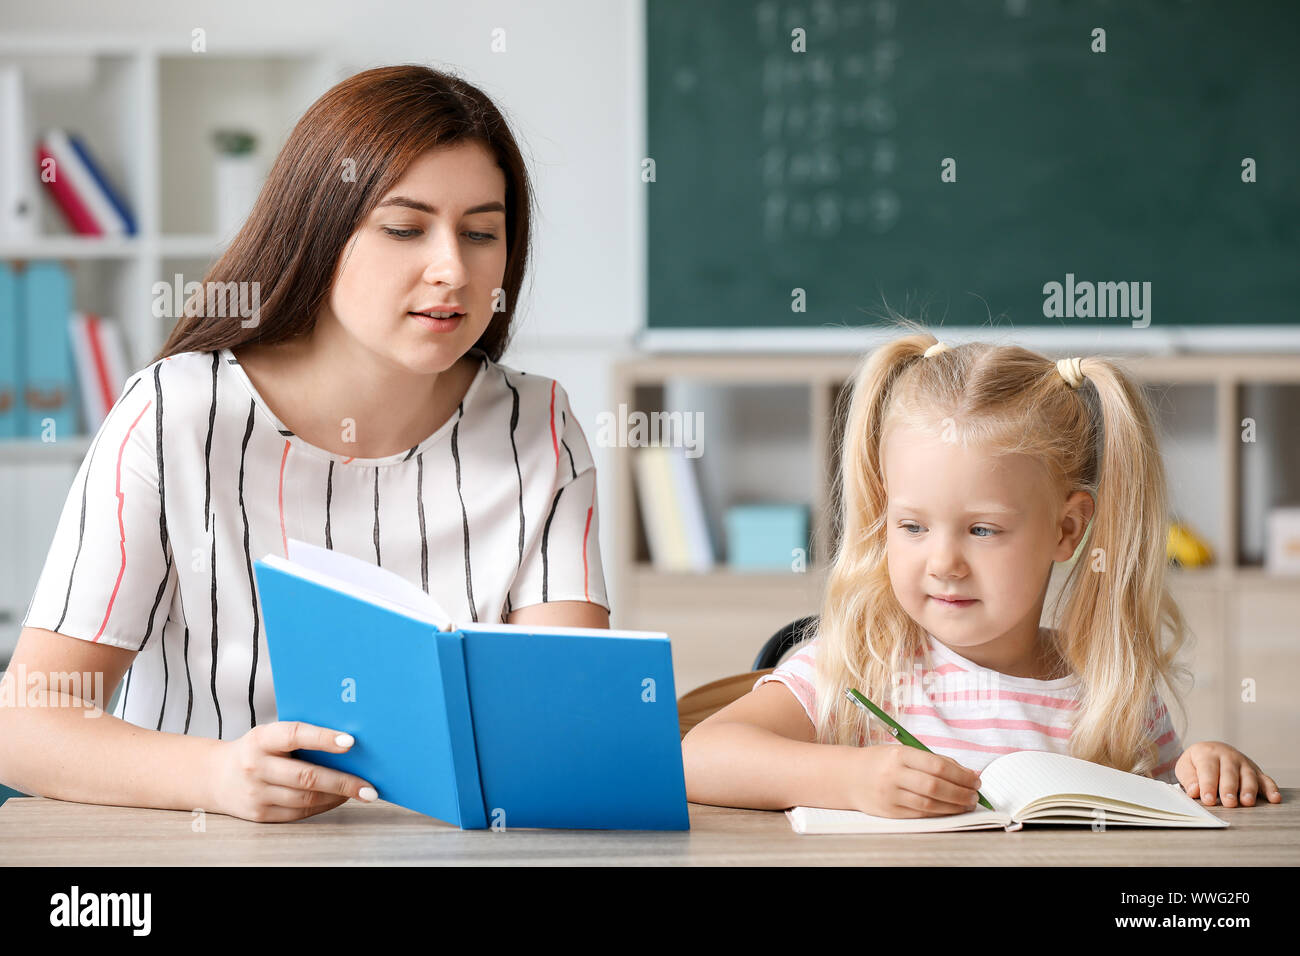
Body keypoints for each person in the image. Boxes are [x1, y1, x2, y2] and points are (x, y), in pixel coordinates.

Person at [0, 65, 609, 823]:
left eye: (482, 232)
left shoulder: (538, 424)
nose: (453, 268)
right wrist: (218, 777)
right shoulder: (175, 415)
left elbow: (561, 724)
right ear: (320, 232)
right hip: (199, 847)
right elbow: (26, 724)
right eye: (404, 228)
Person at [683, 325, 1281, 817]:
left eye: (982, 530)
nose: (943, 563)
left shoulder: (1113, 690)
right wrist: (848, 778)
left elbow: (1159, 812)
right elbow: (697, 757)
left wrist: (1205, 768)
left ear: (1067, 530)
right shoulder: (852, 668)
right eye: (912, 527)